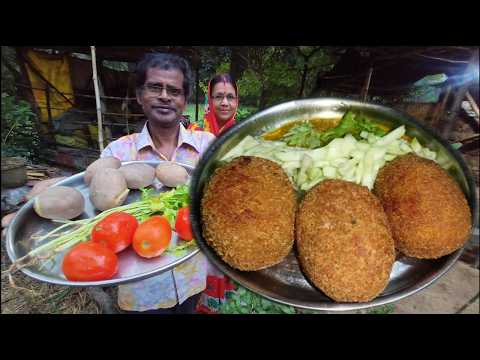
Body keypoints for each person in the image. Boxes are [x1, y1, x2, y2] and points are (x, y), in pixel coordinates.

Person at [101, 52, 216, 313]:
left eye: (174, 90)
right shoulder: (117, 154)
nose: (165, 96)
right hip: (141, 290)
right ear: (140, 96)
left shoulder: (207, 147)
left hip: (191, 279)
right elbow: (97, 209)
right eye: (155, 87)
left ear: (184, 100)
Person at [190, 74, 239, 314]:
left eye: (230, 97)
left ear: (237, 101)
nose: (224, 102)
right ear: (210, 100)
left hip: (235, 220)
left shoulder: (244, 135)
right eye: (218, 96)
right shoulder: (194, 134)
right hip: (199, 224)